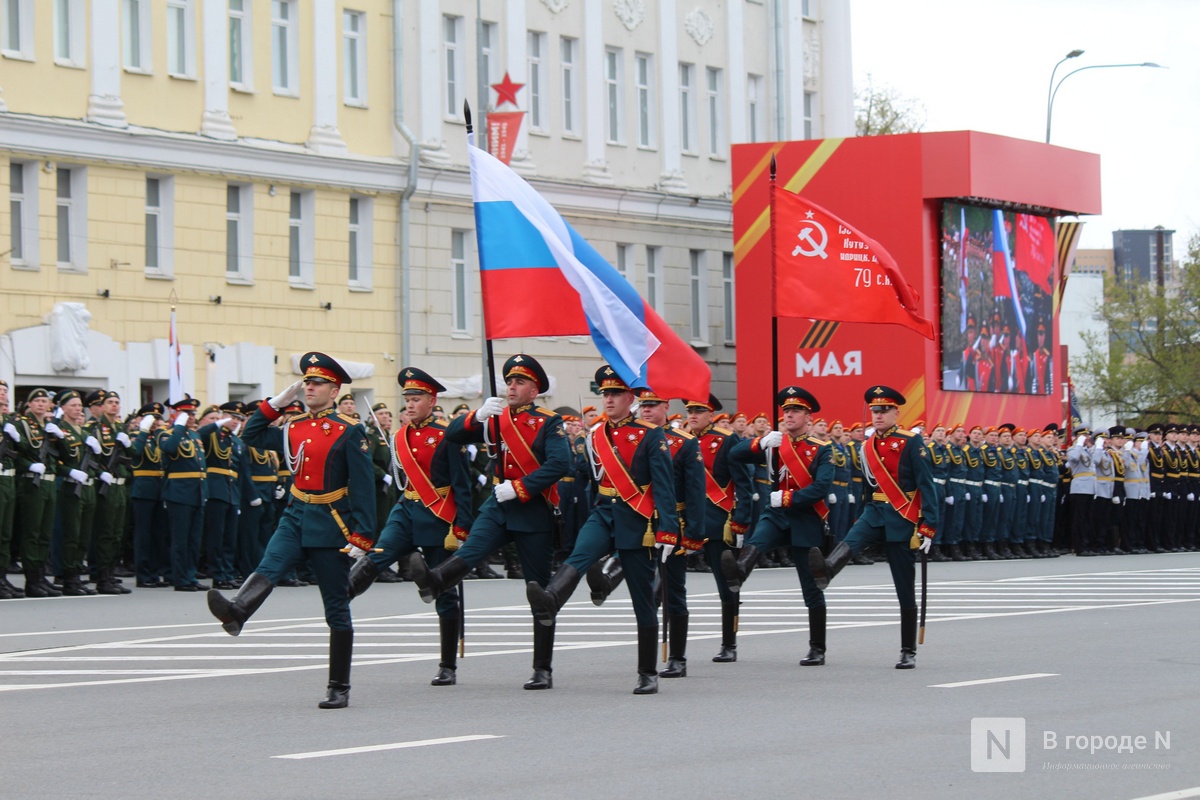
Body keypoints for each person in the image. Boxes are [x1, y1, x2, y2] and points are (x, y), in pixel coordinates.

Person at [208, 352, 376, 709]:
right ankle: (238, 612)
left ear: (334, 391)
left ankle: (338, 685)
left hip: (331, 522)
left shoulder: (350, 431)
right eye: (307, 383)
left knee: (335, 605)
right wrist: (275, 404)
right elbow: (250, 435)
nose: (309, 387)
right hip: (296, 514)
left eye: (316, 383)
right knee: (270, 565)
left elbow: (363, 486)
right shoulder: (294, 425)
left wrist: (363, 535)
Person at [407, 354, 570, 690]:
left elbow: (559, 464)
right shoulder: (496, 417)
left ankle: (543, 667)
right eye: (509, 381)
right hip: (498, 504)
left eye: (519, 382)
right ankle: (436, 581)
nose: (511, 387)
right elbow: (452, 435)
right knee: (471, 551)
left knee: (537, 590)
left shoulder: (549, 423)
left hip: (532, 508)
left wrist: (521, 487)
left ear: (534, 389)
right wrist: (476, 416)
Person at [525, 366, 679, 694]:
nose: (608, 399)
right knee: (579, 555)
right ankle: (551, 599)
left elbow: (664, 487)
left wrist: (668, 530)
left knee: (642, 597)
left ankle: (647, 672)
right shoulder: (596, 433)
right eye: (605, 394)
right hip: (604, 511)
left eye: (615, 394)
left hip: (637, 516)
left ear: (631, 398)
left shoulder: (650, 435)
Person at [348, 367, 473, 686]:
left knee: (444, 592)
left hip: (439, 515)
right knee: (376, 557)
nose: (410, 405)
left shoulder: (448, 433)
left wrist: (462, 527)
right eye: (408, 400)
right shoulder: (400, 435)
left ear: (432, 401)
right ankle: (342, 593)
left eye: (416, 399)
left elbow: (463, 483)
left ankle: (447, 665)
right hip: (406, 510)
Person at [808, 386, 938, 669]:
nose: (878, 416)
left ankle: (907, 650)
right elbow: (869, 486)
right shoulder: (867, 445)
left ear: (896, 413)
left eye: (884, 410)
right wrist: (860, 514)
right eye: (875, 411)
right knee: (850, 540)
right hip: (874, 511)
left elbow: (926, 485)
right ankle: (827, 569)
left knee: (904, 587)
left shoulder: (911, 442)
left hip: (902, 516)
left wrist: (928, 525)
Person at [722, 386, 834, 665]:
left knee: (810, 586)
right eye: (786, 411)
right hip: (776, 514)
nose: (789, 415)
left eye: (796, 411)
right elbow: (734, 455)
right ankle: (739, 571)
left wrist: (786, 496)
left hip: (805, 516)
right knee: (756, 541)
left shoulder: (822, 449)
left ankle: (817, 647)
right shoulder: (774, 443)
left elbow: (821, 487)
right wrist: (758, 443)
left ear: (808, 417)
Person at [684, 394, 753, 662]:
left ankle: (729, 643)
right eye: (690, 411)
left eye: (699, 411)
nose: (693, 415)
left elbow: (743, 483)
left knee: (726, 584)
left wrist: (741, 520)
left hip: (716, 519)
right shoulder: (680, 439)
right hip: (685, 518)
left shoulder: (726, 440)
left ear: (711, 415)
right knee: (667, 579)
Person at [160, 394, 211, 591]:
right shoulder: (167, 434)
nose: (191, 416)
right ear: (177, 414)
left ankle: (190, 575)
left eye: (193, 413)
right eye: (187, 413)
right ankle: (180, 578)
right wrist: (179, 427)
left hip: (197, 492)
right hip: (179, 494)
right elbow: (170, 449)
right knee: (180, 540)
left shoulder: (195, 435)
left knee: (193, 540)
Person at [14, 388, 63, 597]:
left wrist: (59, 436)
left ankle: (41, 576)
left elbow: (64, 454)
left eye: (45, 401)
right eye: (38, 401)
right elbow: (16, 454)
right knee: (32, 533)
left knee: (45, 533)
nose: (42, 404)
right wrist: (28, 466)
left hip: (49, 483)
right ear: (30, 404)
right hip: (32, 483)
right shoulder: (23, 425)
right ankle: (32, 580)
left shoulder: (49, 426)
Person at [130, 402, 170, 587]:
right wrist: (143, 430)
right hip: (143, 489)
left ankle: (154, 573)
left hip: (159, 488)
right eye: (150, 418)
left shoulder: (160, 438)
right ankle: (143, 575)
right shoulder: (136, 436)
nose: (155, 422)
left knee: (158, 534)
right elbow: (135, 452)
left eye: (157, 418)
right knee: (143, 534)